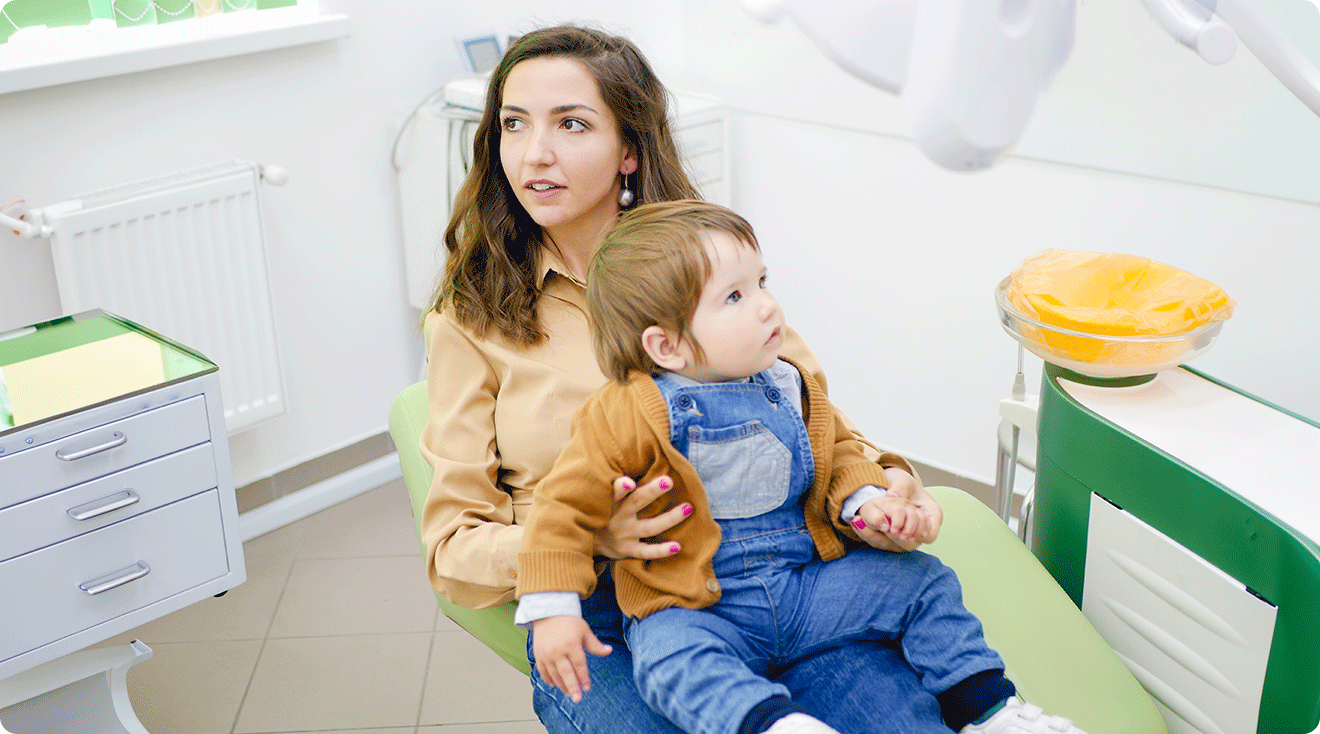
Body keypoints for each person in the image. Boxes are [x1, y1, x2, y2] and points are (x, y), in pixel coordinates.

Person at [420, 24, 953, 734]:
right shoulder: (471, 317)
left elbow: (812, 419)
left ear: (629, 151)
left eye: (571, 124)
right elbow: (453, 549)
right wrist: (586, 539)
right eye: (513, 125)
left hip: (777, 571)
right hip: (607, 604)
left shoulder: (708, 263)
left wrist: (883, 487)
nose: (533, 154)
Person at [516, 201, 1092, 734]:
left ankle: (990, 709)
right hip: (698, 605)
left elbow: (836, 452)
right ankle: (769, 723)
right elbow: (562, 508)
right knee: (668, 659)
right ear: (667, 347)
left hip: (802, 585)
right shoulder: (627, 412)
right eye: (734, 298)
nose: (767, 304)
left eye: (760, 282)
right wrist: (554, 610)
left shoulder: (788, 383)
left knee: (921, 580)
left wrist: (872, 504)